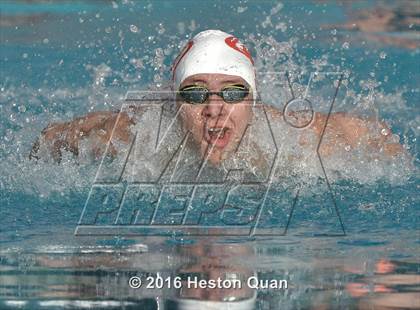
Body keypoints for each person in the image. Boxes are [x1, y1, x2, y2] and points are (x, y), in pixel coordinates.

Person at [30, 29, 405, 167]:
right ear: (175, 103)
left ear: (253, 102)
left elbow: (371, 134)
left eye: (233, 92)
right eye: (194, 94)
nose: (214, 108)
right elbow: (52, 138)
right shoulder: (136, 137)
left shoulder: (296, 140)